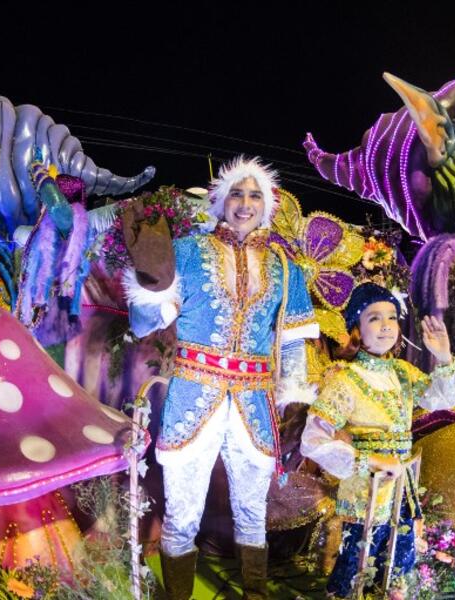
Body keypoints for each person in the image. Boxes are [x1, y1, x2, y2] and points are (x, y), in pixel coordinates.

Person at [124, 156, 318, 600]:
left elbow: (290, 342)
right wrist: (151, 282)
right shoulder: (189, 252)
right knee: (182, 514)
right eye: (236, 193)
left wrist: (294, 401)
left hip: (254, 404)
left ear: (266, 206)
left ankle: (255, 592)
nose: (245, 203)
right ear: (221, 200)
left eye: (255, 196)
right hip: (194, 395)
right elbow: (142, 324)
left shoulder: (286, 268)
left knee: (252, 510)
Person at [300, 283, 455, 598]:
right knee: (357, 562)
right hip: (366, 493)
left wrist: (444, 358)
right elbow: (313, 440)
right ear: (357, 329)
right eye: (374, 317)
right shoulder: (345, 381)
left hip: (402, 490)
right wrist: (371, 461)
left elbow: (440, 398)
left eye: (392, 316)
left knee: (400, 562)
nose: (386, 325)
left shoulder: (402, 372)